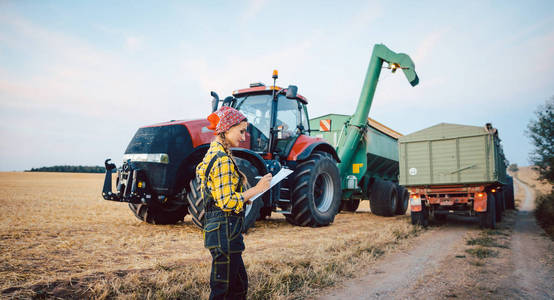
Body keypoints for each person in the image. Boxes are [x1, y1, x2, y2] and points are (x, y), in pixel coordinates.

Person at [196, 106, 272, 300]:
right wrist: (258, 188)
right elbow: (227, 201)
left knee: (237, 287)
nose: (244, 136)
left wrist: (245, 198)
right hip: (225, 232)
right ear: (227, 129)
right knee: (223, 291)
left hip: (223, 231)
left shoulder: (214, 154)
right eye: (241, 131)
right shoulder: (221, 159)